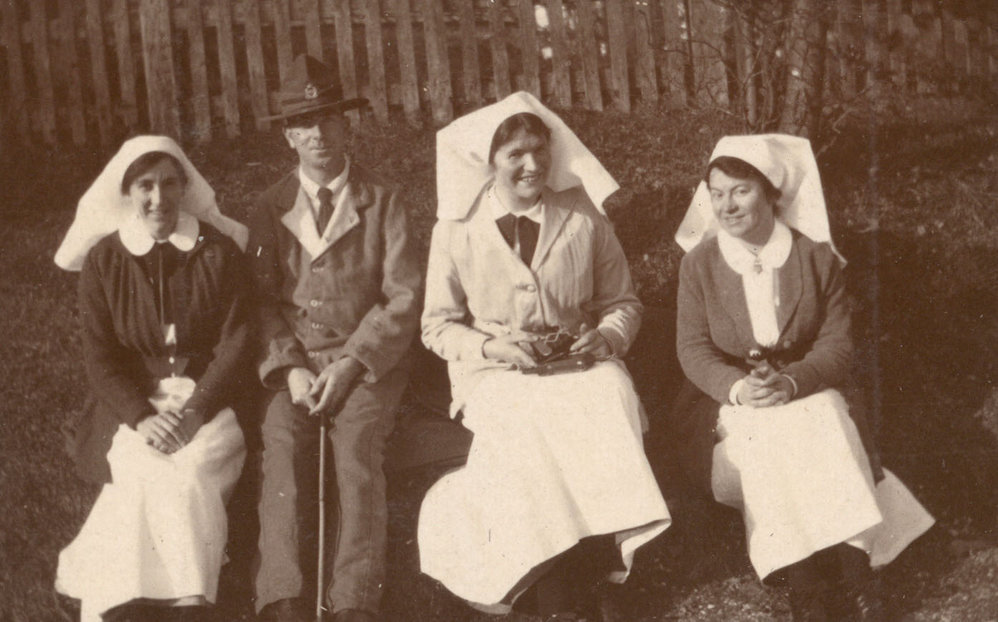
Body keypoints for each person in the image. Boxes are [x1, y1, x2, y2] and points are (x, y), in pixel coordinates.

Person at [419, 92, 671, 620]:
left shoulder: (581, 215)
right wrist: (491, 346)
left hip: (580, 363)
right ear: (489, 164)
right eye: (515, 155)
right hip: (495, 371)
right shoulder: (456, 228)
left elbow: (623, 302)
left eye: (539, 151)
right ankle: (555, 584)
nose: (532, 165)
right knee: (525, 426)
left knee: (607, 397)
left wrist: (606, 337)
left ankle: (603, 564)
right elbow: (437, 325)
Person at [672, 134, 935, 621]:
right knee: (767, 435)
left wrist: (792, 382)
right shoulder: (700, 264)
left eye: (742, 191)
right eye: (718, 193)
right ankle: (807, 589)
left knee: (826, 417)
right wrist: (738, 388)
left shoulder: (815, 258)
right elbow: (691, 349)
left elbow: (837, 345)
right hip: (725, 404)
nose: (727, 205)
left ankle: (858, 579)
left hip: (809, 389)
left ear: (772, 192)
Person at [248, 55, 421, 622]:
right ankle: (283, 596)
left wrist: (351, 363)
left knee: (357, 453)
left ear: (348, 125)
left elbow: (403, 296)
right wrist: (291, 367)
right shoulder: (270, 209)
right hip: (296, 366)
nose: (318, 133)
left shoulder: (383, 200)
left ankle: (354, 600)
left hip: (365, 364)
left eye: (329, 119)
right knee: (281, 450)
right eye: (305, 124)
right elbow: (262, 302)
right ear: (288, 136)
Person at [53, 135, 252, 622]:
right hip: (136, 406)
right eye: (145, 186)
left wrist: (196, 409)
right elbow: (100, 357)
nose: (158, 199)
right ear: (128, 192)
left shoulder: (218, 251)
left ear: (185, 187)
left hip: (211, 403)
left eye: (168, 184)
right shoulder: (105, 261)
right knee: (139, 472)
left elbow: (237, 342)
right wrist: (141, 417)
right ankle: (131, 606)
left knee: (189, 473)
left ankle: (187, 603)